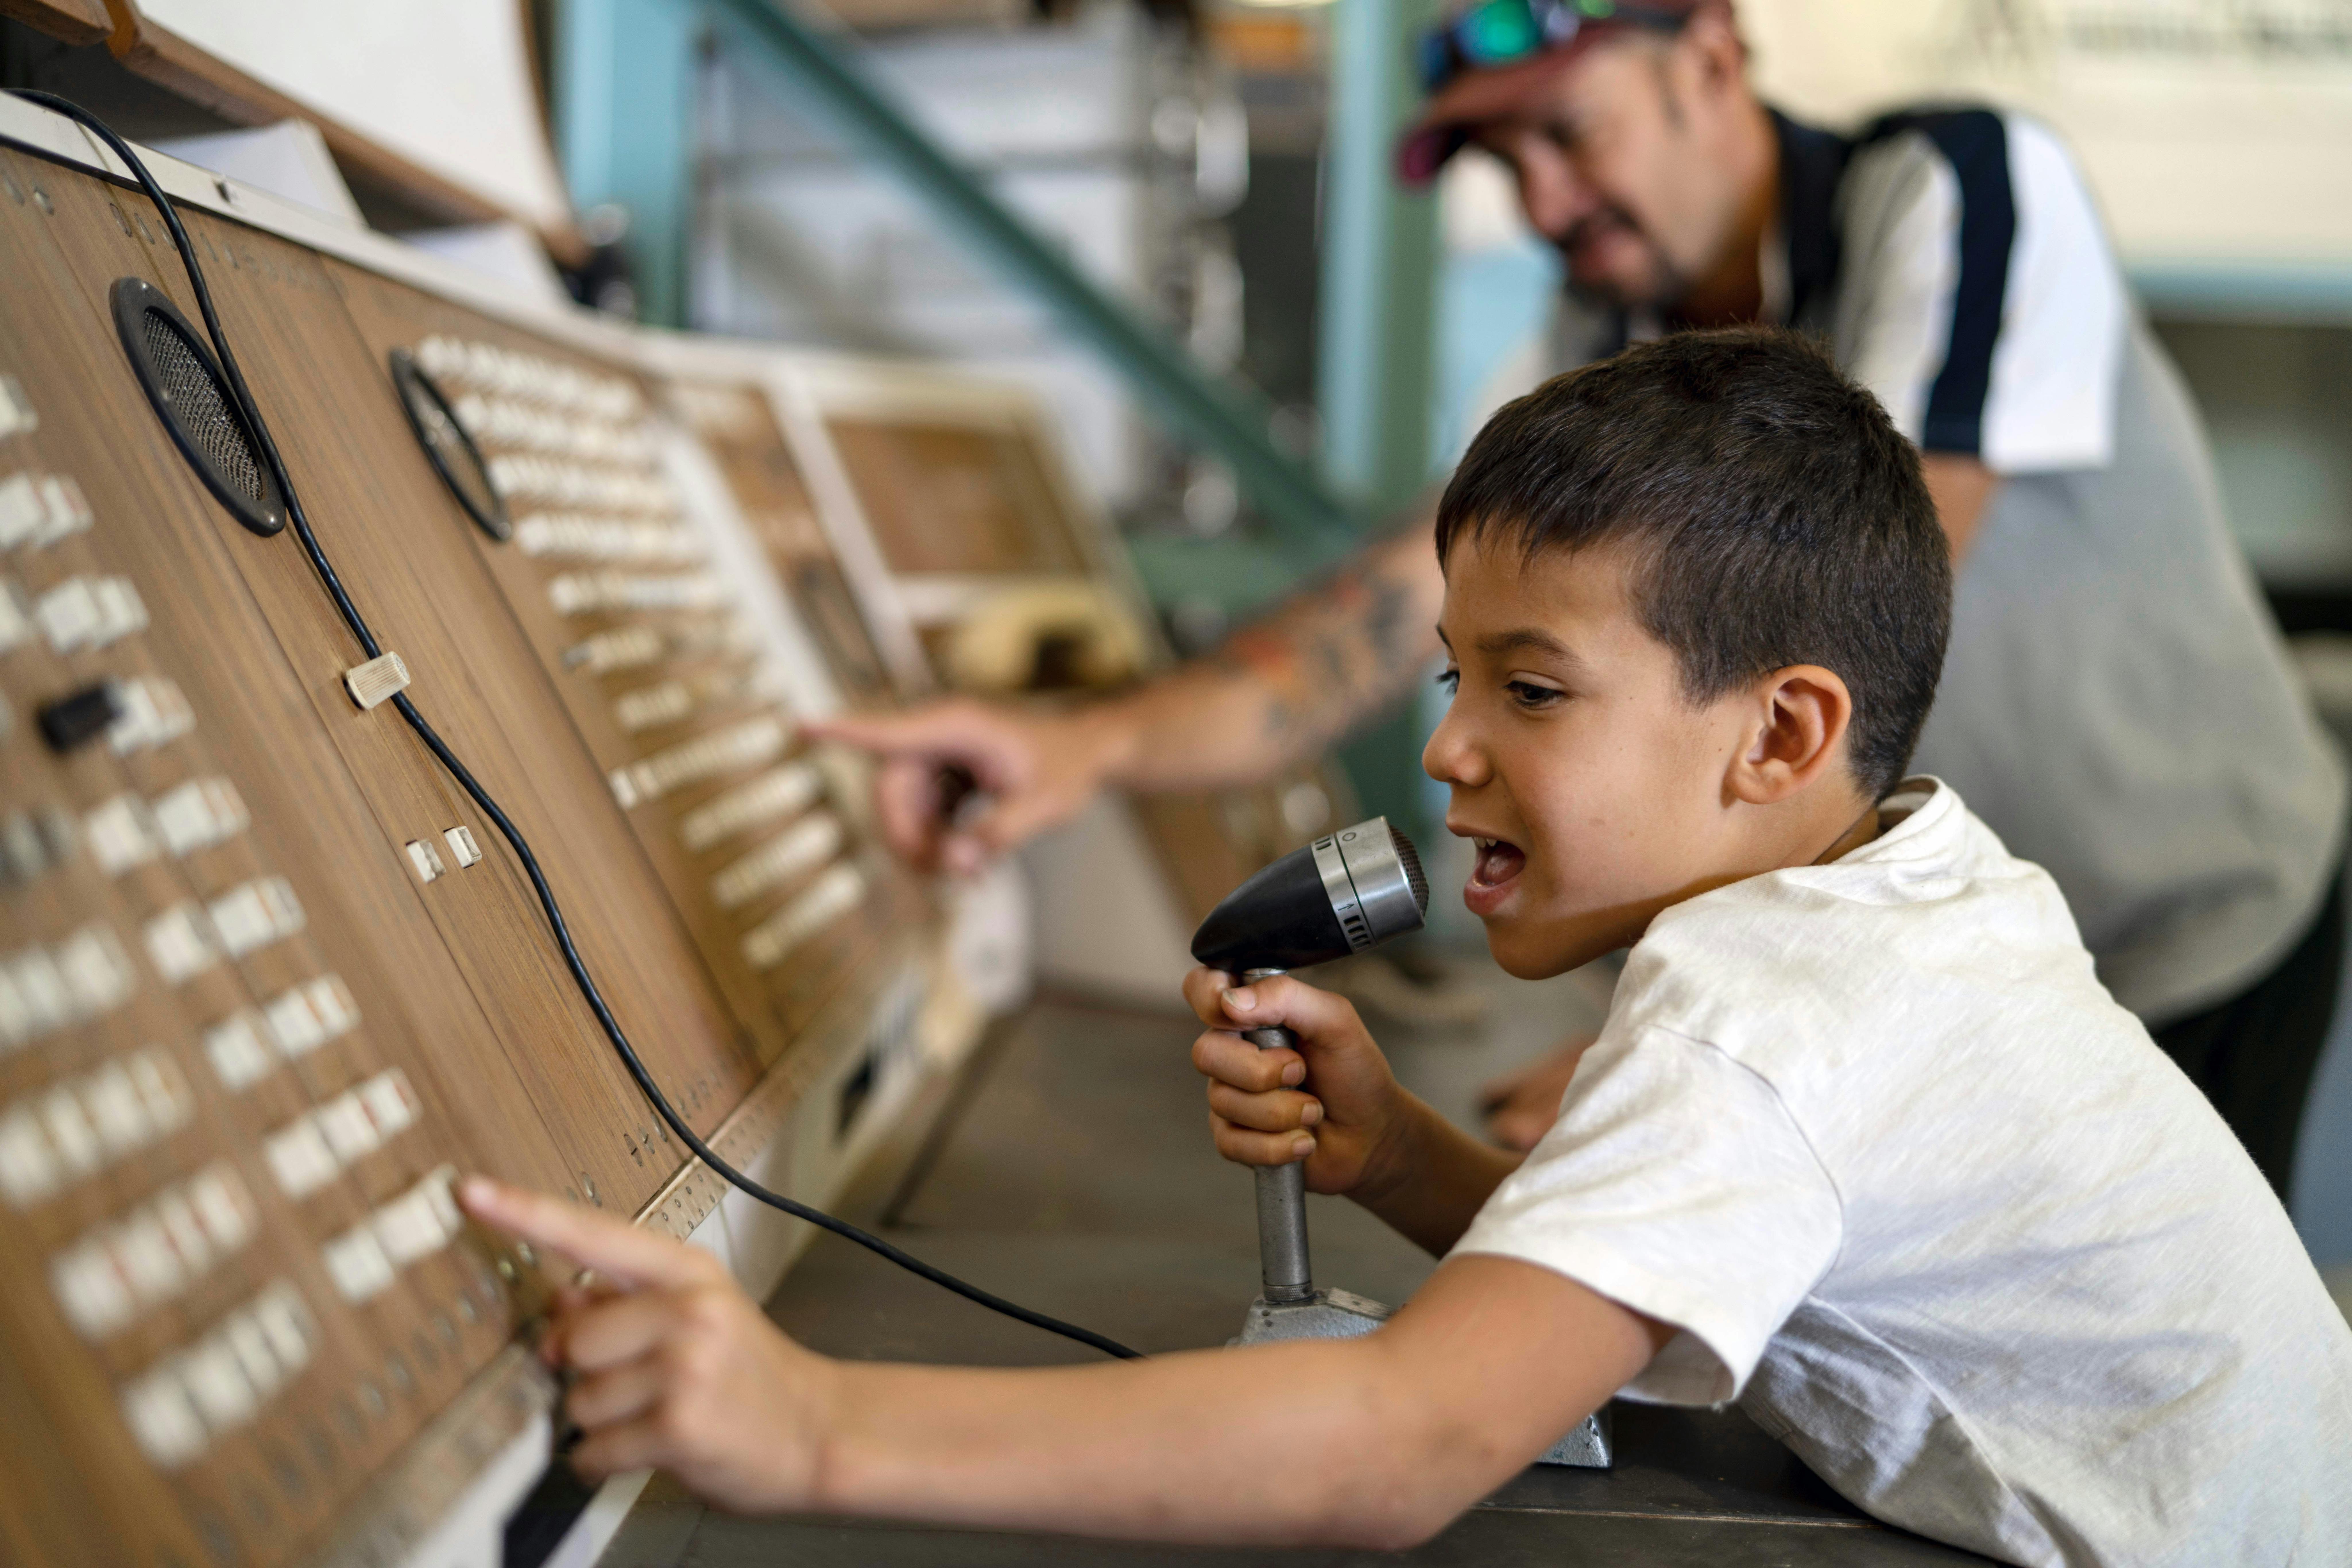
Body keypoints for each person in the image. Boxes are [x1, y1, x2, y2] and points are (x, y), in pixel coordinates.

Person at [468, 335, 2352, 1563]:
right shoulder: (1908, 882)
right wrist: (1395, 1156)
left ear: (1779, 733)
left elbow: (1396, 1445)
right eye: (1457, 676)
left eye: (1531, 688)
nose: (1447, 747)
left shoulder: (1765, 1011)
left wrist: (805, 1421)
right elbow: (1669, 1263)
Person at [815, 0, 2347, 1192]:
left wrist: (1683, 1046)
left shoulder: (1954, 190)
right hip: (1930, 987)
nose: (1542, 198)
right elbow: (1398, 596)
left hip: (2180, 922)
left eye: (1564, 129)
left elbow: (1842, 658)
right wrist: (1090, 747)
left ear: (1708, 54)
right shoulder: (1615, 326)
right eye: (1501, 162)